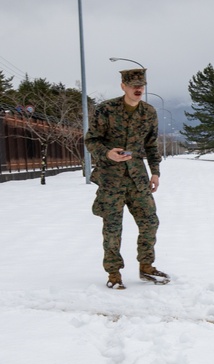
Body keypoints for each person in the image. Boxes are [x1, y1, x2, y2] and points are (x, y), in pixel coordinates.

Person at [84, 68, 169, 289]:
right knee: (112, 227)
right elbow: (91, 140)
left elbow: (151, 145)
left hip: (137, 177)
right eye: (133, 85)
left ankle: (146, 266)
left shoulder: (148, 112)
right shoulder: (106, 109)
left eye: (141, 85)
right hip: (111, 178)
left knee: (150, 222)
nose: (138, 89)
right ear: (123, 86)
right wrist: (107, 153)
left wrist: (155, 172)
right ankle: (113, 273)